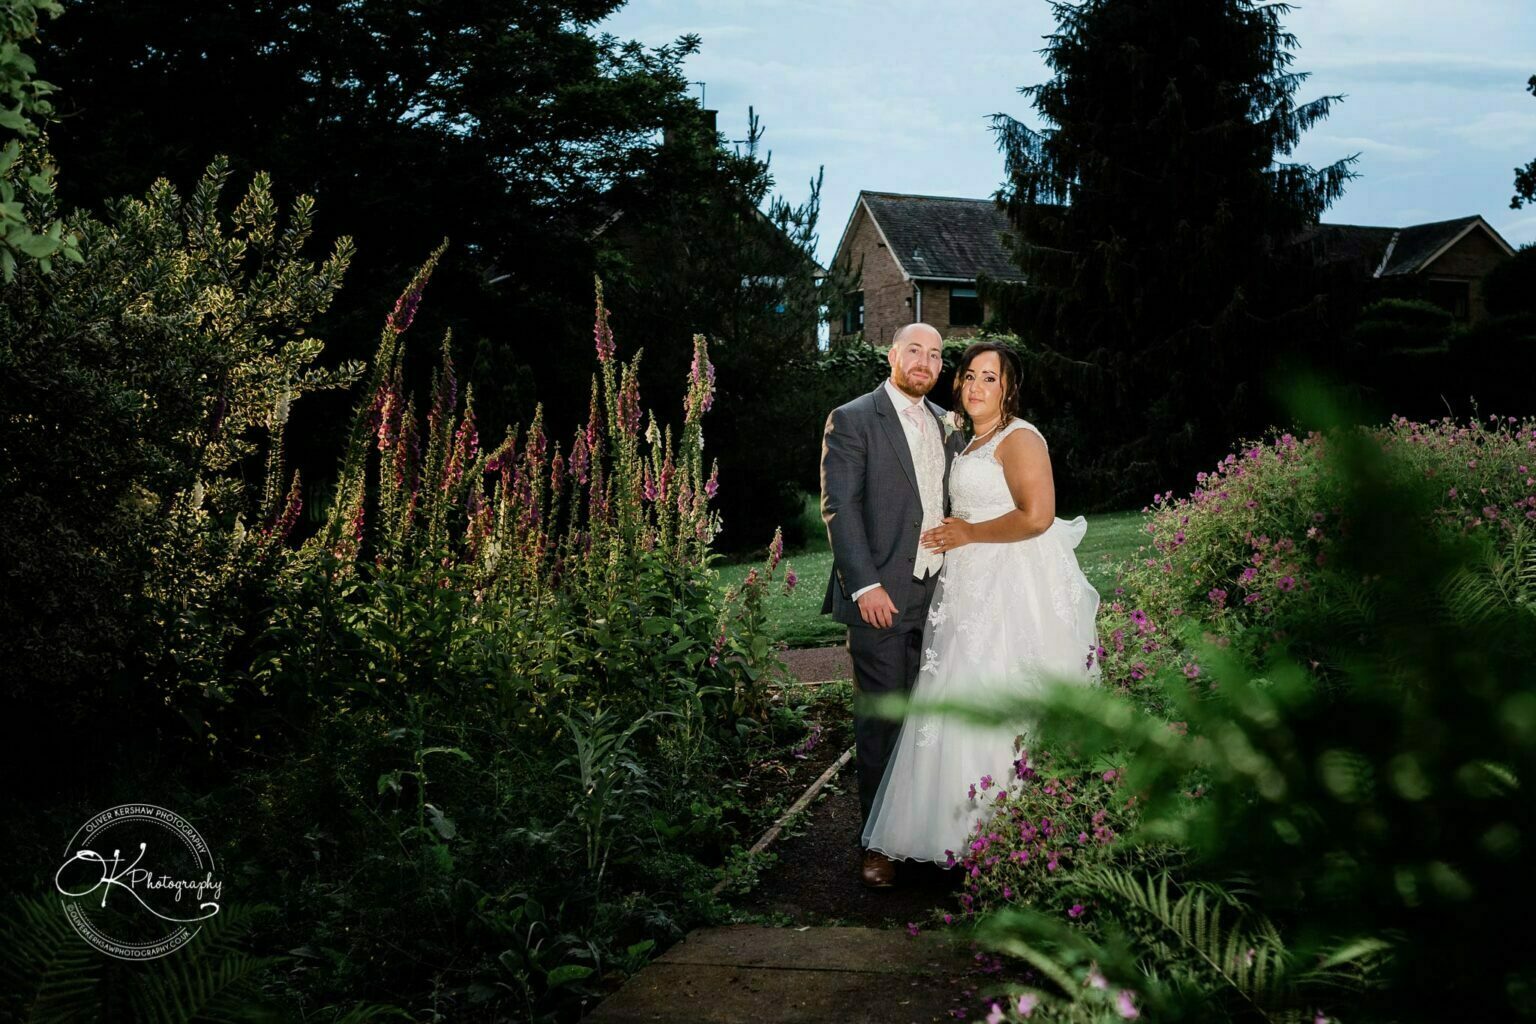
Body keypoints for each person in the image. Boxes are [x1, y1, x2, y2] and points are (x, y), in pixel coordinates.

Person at [860, 341, 1101, 867]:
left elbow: (1038, 516)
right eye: (969, 376)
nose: (975, 387)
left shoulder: (1019, 439)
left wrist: (968, 532)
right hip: (967, 585)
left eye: (989, 378)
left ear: (1009, 388)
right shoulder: (967, 442)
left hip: (1010, 580)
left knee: (1000, 691)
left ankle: (1013, 833)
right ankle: (964, 834)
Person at [820, 322, 964, 888]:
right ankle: (877, 845)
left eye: (935, 355)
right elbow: (840, 509)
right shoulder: (853, 418)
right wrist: (865, 586)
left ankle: (922, 835)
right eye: (915, 351)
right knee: (883, 719)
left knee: (928, 719)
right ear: (892, 355)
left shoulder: (947, 424)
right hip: (879, 596)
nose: (925, 362)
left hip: (939, 593)